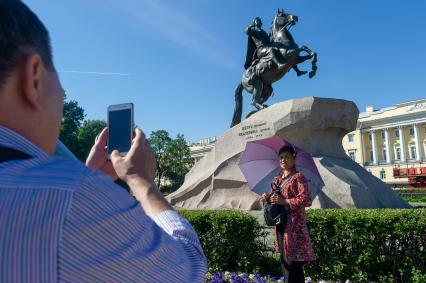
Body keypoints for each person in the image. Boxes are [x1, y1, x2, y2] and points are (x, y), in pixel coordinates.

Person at [0, 1, 207, 282]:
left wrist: (89, 176)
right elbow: (186, 269)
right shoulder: (71, 195)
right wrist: (141, 181)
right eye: (59, 84)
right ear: (33, 77)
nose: (61, 96)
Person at [262, 145, 316, 283]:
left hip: (295, 228)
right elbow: (276, 198)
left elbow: (306, 199)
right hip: (281, 224)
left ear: (294, 158)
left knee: (293, 265)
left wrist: (284, 201)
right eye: (281, 157)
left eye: (286, 156)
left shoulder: (299, 177)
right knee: (286, 263)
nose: (283, 159)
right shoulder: (277, 179)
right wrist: (268, 198)